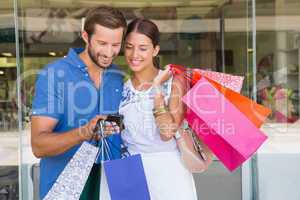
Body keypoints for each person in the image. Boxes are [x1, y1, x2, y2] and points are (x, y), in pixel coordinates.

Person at [30, 6, 127, 199]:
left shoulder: (117, 76)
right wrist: (84, 132)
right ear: (85, 36)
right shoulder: (54, 75)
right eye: (102, 43)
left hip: (112, 185)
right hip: (66, 187)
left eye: (116, 44)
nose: (109, 52)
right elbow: (38, 145)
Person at [119, 18, 198, 200]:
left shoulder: (174, 82)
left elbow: (166, 132)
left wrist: (156, 89)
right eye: (129, 46)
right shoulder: (122, 89)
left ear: (155, 50)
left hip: (169, 174)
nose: (134, 54)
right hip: (131, 173)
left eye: (143, 48)